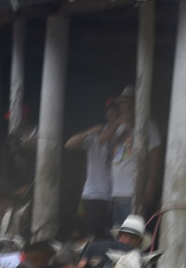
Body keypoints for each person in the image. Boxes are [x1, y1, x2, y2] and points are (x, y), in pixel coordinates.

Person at [65, 99, 118, 238]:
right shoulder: (96, 135)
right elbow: (69, 144)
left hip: (118, 195)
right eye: (110, 111)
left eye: (116, 111)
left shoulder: (125, 133)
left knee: (111, 236)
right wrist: (88, 132)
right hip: (94, 194)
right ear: (106, 114)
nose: (113, 114)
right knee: (90, 236)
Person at [109, 89, 162, 225]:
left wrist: (151, 183)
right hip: (117, 192)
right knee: (118, 233)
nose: (124, 107)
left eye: (128, 103)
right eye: (122, 104)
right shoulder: (119, 128)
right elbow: (103, 140)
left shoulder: (148, 125)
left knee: (132, 233)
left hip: (133, 193)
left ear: (136, 104)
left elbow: (155, 155)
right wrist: (120, 124)